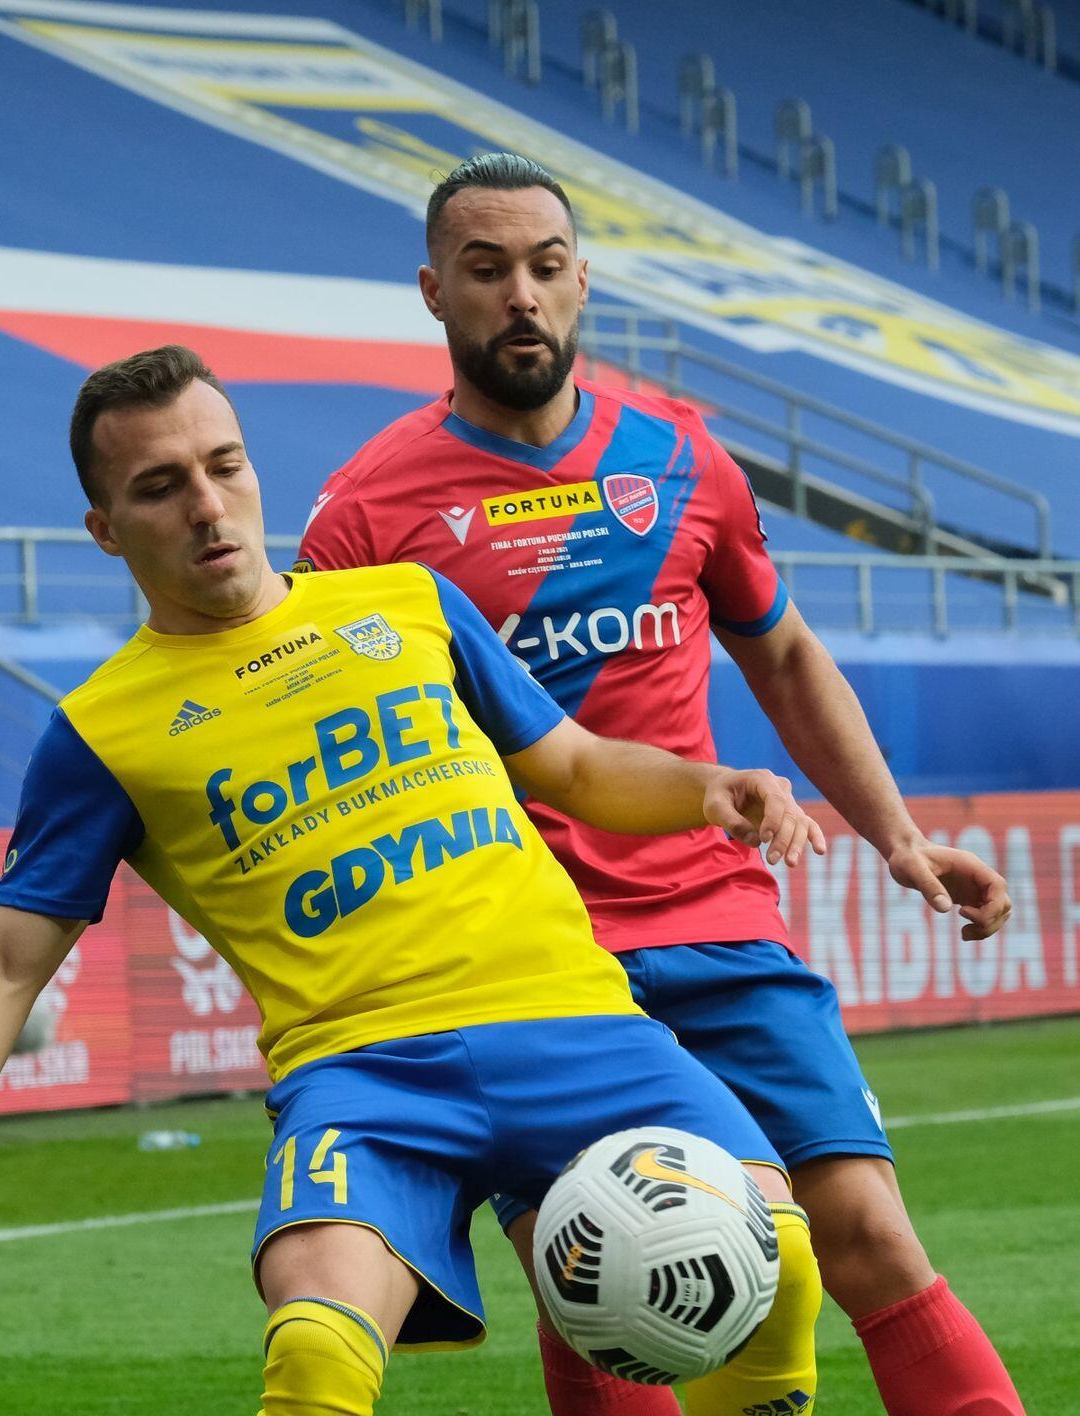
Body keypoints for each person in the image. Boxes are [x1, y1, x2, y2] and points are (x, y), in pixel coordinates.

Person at [0, 345, 829, 1416]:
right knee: (317, 1351)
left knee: (777, 1255)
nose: (207, 506)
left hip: (577, 1024)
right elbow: (6, 960)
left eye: (224, 466)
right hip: (365, 1077)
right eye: (160, 487)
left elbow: (578, 767)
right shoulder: (99, 733)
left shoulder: (412, 604)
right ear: (106, 529)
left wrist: (708, 788)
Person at [296, 153, 1023, 1416]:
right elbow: (324, 747)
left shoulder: (681, 460)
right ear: (434, 292)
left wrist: (897, 836)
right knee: (596, 1288)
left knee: (866, 1235)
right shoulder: (365, 517)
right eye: (485, 270)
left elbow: (783, 653)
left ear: (583, 280)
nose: (520, 296)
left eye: (544, 267)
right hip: (526, 961)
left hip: (717, 922)